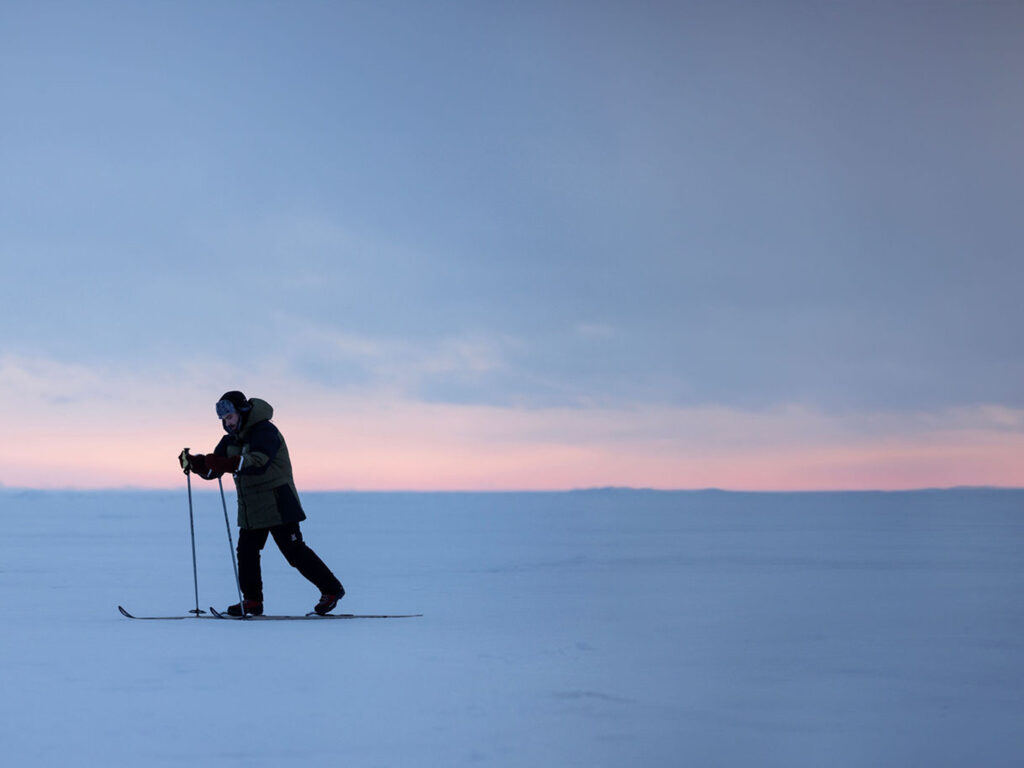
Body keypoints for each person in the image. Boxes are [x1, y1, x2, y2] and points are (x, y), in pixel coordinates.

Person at [178, 391, 344, 616]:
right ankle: (253, 601)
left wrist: (221, 462)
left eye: (230, 417)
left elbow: (258, 462)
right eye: (224, 420)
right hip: (252, 507)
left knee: (294, 552)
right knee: (246, 552)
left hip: (278, 503)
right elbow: (214, 470)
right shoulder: (231, 440)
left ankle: (332, 590)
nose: (227, 424)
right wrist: (197, 463)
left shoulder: (265, 430)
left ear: (242, 412)